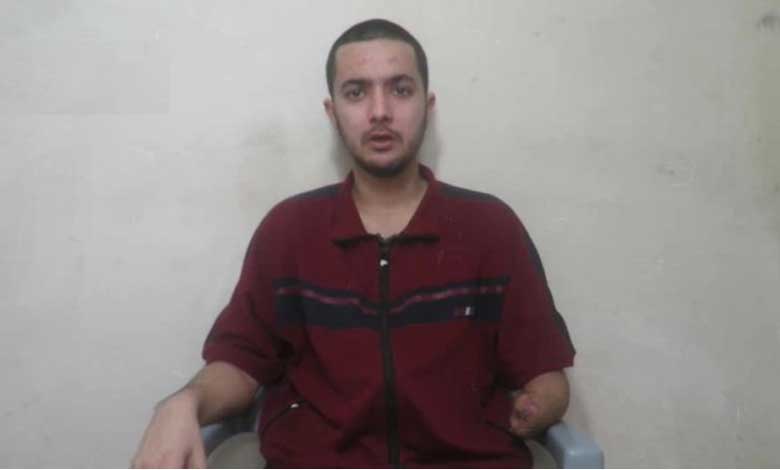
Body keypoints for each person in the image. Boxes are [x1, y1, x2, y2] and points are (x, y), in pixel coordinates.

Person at [132, 18, 575, 468]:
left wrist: (542, 403)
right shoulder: (289, 231)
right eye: (356, 92)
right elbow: (240, 363)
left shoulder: (489, 227)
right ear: (332, 112)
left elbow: (545, 373)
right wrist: (184, 403)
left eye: (400, 89)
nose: (380, 111)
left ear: (428, 105)